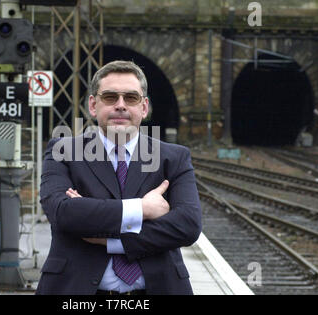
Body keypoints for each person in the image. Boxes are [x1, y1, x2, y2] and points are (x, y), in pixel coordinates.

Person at [36, 60, 202, 295]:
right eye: (110, 97)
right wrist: (142, 209)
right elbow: (63, 214)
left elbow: (188, 225)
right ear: (93, 105)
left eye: (131, 98)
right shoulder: (63, 151)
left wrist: (113, 240)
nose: (121, 106)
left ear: (144, 108)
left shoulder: (174, 158)